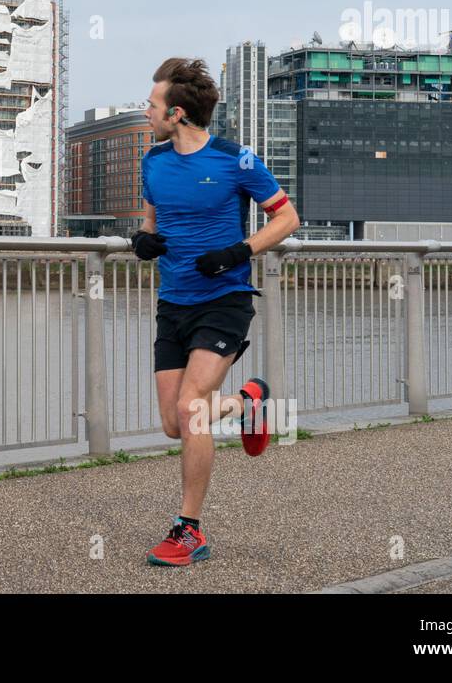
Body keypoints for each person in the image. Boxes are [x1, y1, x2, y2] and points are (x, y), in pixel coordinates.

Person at [134, 57, 299, 566]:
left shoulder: (236, 160)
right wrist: (144, 240)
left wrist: (238, 252)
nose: (148, 110)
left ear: (177, 113)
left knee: (190, 409)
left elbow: (287, 217)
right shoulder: (153, 161)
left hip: (224, 298)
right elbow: (151, 217)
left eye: (154, 103)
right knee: (173, 422)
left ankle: (189, 531)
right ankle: (247, 402)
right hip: (173, 301)